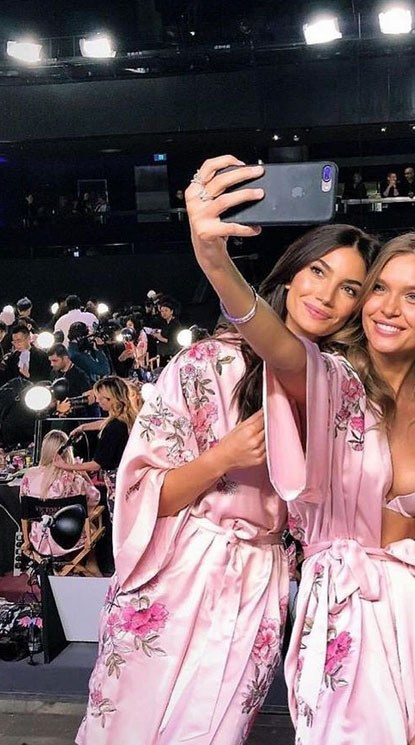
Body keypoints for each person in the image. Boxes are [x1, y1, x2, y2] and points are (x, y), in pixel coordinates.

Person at [183, 155, 415, 745]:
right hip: (340, 622)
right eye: (379, 289)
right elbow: (282, 349)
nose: (388, 308)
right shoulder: (335, 383)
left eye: (414, 297)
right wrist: (215, 262)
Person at [75, 197, 379, 743]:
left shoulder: (339, 383)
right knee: (124, 726)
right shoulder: (203, 363)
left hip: (257, 580)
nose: (326, 296)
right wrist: (222, 457)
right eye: (318, 271)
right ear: (291, 273)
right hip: (175, 571)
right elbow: (145, 494)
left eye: (349, 289)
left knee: (216, 731)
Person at [55, 376, 138, 520]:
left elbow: (96, 464)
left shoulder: (114, 428)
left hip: (118, 483)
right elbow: (106, 423)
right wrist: (84, 427)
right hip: (129, 477)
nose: (98, 401)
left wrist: (66, 466)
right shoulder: (127, 419)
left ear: (111, 400)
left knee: (120, 520)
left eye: (101, 398)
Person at [20, 429, 100, 572]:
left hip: (39, 541)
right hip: (70, 540)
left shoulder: (29, 476)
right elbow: (94, 500)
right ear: (68, 452)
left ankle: (72, 568)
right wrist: (84, 475)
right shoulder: (74, 479)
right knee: (91, 522)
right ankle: (90, 565)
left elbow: (24, 505)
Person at [149, 297, 183, 365]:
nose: (164, 313)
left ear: (171, 311)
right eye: (162, 311)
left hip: (171, 354)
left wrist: (160, 337)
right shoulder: (164, 323)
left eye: (166, 310)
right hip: (162, 353)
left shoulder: (176, 324)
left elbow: (173, 341)